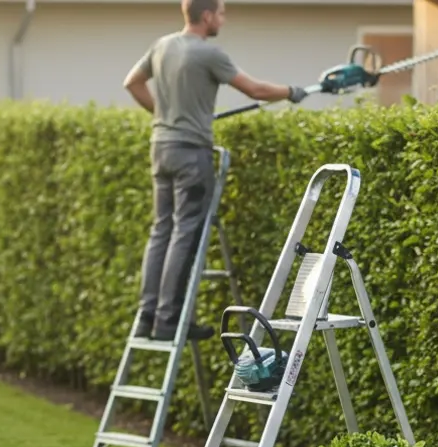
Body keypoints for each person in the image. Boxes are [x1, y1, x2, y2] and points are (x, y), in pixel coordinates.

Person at [123, 0, 308, 341]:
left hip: (160, 147)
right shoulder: (208, 54)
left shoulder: (161, 46)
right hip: (191, 153)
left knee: (161, 230)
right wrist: (292, 92)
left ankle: (148, 315)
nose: (223, 19)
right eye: (221, 13)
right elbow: (255, 90)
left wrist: (165, 116)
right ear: (206, 16)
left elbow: (132, 82)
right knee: (184, 233)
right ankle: (168, 321)